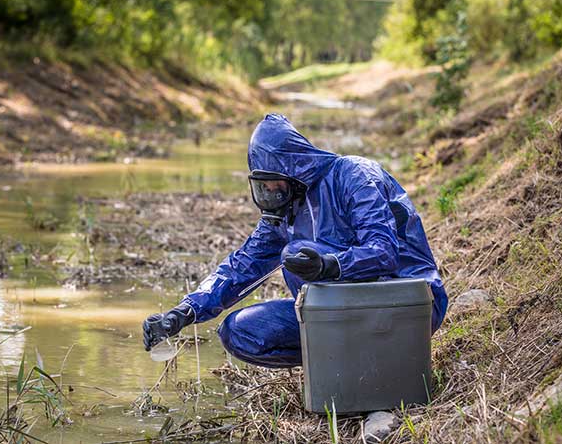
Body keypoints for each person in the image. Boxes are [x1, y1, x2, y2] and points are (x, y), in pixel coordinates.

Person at [142, 114, 448, 368]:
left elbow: (383, 251)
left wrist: (329, 265)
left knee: (294, 255)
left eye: (274, 184)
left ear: (295, 172)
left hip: (408, 304)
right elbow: (239, 268)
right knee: (239, 332)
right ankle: (340, 364)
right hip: (342, 314)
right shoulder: (283, 214)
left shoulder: (354, 176)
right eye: (262, 187)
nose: (269, 194)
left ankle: (370, 361)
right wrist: (183, 312)